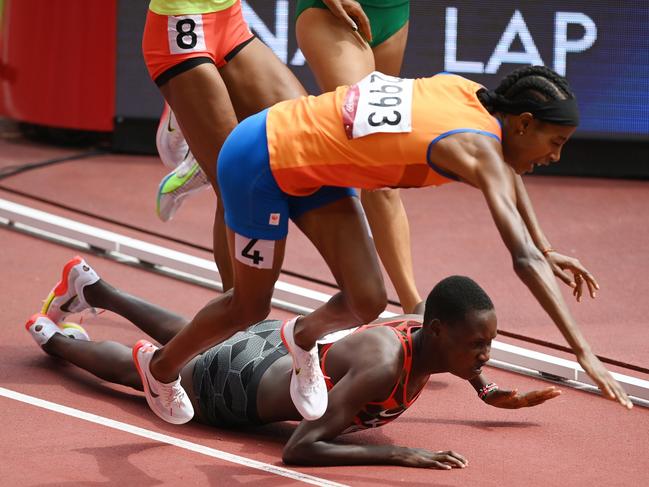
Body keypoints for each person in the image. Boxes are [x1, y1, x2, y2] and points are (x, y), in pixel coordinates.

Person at [131, 65, 636, 424]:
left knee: (368, 299)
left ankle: (302, 341)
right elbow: (519, 258)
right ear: (523, 123)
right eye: (555, 142)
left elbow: (512, 188)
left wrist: (546, 245)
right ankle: (161, 370)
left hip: (319, 169)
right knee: (247, 305)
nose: (556, 156)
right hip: (259, 161)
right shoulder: (476, 146)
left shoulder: (475, 97)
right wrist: (584, 353)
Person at [30, 258, 560, 468]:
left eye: (488, 344)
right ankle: (52, 337)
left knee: (187, 335)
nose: (483, 354)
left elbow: (466, 356)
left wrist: (487, 389)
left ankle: (95, 287)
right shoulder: (383, 368)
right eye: (476, 346)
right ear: (441, 331)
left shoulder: (425, 326)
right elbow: (300, 448)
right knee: (137, 372)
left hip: (274, 345)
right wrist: (402, 455)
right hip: (235, 389)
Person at [142, 0, 306, 291]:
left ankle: (198, 152)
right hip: (179, 25)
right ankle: (239, 319)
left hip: (229, 18)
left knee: (302, 129)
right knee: (237, 183)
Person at [296, 0, 423, 314]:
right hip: (332, 13)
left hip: (393, 13)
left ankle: (412, 310)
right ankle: (414, 307)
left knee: (377, 161)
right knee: (376, 151)